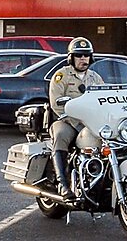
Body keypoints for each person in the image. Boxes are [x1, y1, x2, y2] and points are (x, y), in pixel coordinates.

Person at [48, 37, 104, 200]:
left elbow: (104, 100)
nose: (83, 59)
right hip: (67, 121)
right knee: (60, 136)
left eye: (86, 55)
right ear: (71, 58)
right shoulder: (61, 76)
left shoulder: (95, 78)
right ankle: (63, 184)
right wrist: (76, 123)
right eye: (79, 55)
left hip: (91, 123)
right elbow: (56, 104)